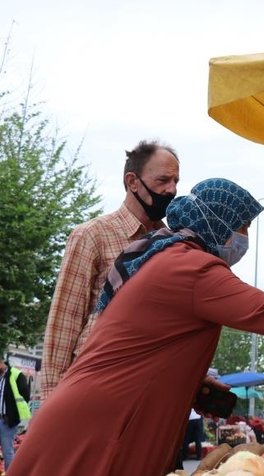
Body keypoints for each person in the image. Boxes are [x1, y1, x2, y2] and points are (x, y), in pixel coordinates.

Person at [11, 178, 264, 476]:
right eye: (242, 227)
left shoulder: (168, 257)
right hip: (102, 426)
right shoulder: (192, 267)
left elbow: (144, 351)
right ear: (220, 224)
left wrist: (195, 386)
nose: (244, 239)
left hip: (99, 414)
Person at [40, 140, 180, 399]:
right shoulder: (93, 235)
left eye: (175, 181)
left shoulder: (173, 243)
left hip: (151, 387)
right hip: (96, 384)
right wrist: (49, 398)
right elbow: (65, 320)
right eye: (163, 180)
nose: (171, 190)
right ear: (132, 181)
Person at [0, 359, 30, 473]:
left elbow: (25, 396)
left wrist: (14, 415)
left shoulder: (16, 374)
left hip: (8, 421)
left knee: (8, 451)